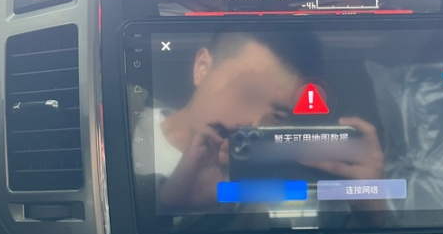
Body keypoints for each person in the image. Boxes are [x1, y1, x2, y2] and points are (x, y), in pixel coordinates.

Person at [137, 30, 385, 220]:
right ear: (202, 68)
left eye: (277, 116)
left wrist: (369, 219)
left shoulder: (251, 196)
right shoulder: (123, 128)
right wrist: (160, 200)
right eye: (247, 94)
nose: (254, 122)